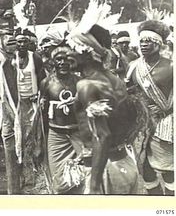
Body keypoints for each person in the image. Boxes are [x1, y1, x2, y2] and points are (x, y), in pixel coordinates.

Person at [67, 23, 141, 194]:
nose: (68, 54)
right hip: (123, 163)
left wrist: (94, 185)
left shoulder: (86, 85)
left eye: (73, 49)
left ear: (88, 53)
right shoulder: (115, 80)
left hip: (104, 171)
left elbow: (103, 135)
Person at [125, 20, 173, 195]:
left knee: (168, 169)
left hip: (165, 123)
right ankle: (155, 201)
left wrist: (166, 110)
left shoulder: (170, 66)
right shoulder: (133, 67)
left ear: (159, 44)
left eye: (149, 41)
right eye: (142, 41)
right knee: (144, 166)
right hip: (141, 125)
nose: (144, 44)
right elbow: (128, 92)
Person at [0, 27, 45, 194]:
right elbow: (5, 87)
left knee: (32, 140)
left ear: (29, 43)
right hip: (15, 106)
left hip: (32, 104)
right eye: (18, 42)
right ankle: (17, 182)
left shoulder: (36, 58)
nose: (21, 44)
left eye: (24, 41)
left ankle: (32, 179)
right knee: (16, 140)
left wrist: (39, 95)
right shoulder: (9, 62)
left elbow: (42, 80)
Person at [39, 41, 83, 194]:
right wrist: (41, 142)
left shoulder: (80, 82)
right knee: (59, 180)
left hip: (78, 134)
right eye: (59, 59)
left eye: (67, 59)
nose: (63, 62)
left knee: (82, 176)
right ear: (53, 62)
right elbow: (43, 115)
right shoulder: (46, 83)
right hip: (56, 137)